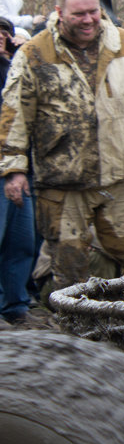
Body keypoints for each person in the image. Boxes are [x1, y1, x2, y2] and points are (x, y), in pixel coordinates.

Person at [0, 0, 124, 304]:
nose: (88, 19)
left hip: (122, 175)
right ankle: (79, 338)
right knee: (70, 269)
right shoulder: (34, 53)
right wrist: (14, 170)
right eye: (78, 13)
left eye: (93, 11)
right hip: (62, 181)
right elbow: (15, 114)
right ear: (59, 12)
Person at [0, 17, 35, 324]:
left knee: (21, 241)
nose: (0, 37)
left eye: (4, 32)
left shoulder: (13, 69)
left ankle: (16, 307)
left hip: (19, 167)